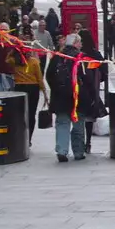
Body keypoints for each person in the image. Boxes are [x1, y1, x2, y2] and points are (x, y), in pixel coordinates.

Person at [47, 33, 89, 162]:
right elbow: (87, 78)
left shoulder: (57, 57)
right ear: (76, 43)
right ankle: (78, 152)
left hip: (60, 97)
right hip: (77, 97)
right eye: (80, 42)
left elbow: (49, 75)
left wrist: (56, 89)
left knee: (62, 124)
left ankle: (62, 150)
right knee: (78, 125)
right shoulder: (80, 58)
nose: (81, 45)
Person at [10, 39, 44, 143]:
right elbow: (39, 78)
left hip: (19, 88)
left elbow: (7, 59)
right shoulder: (34, 62)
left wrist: (14, 50)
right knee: (31, 113)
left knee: (20, 113)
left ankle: (20, 136)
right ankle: (29, 138)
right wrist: (45, 93)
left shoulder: (15, 61)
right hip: (32, 88)